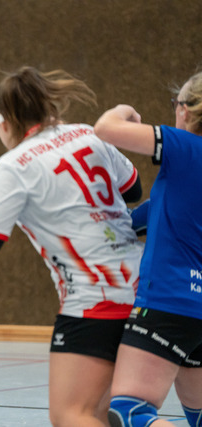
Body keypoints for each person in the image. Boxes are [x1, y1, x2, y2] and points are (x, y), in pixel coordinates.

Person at [0, 66, 144, 427]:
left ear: (3, 121)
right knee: (98, 412)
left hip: (94, 298)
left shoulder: (14, 165)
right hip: (144, 286)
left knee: (69, 415)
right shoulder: (89, 134)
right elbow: (134, 191)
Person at [93, 71, 202, 427]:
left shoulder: (184, 145)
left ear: (185, 110)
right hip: (196, 311)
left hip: (169, 301)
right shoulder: (176, 187)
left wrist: (124, 110)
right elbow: (140, 220)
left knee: (130, 412)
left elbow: (105, 129)